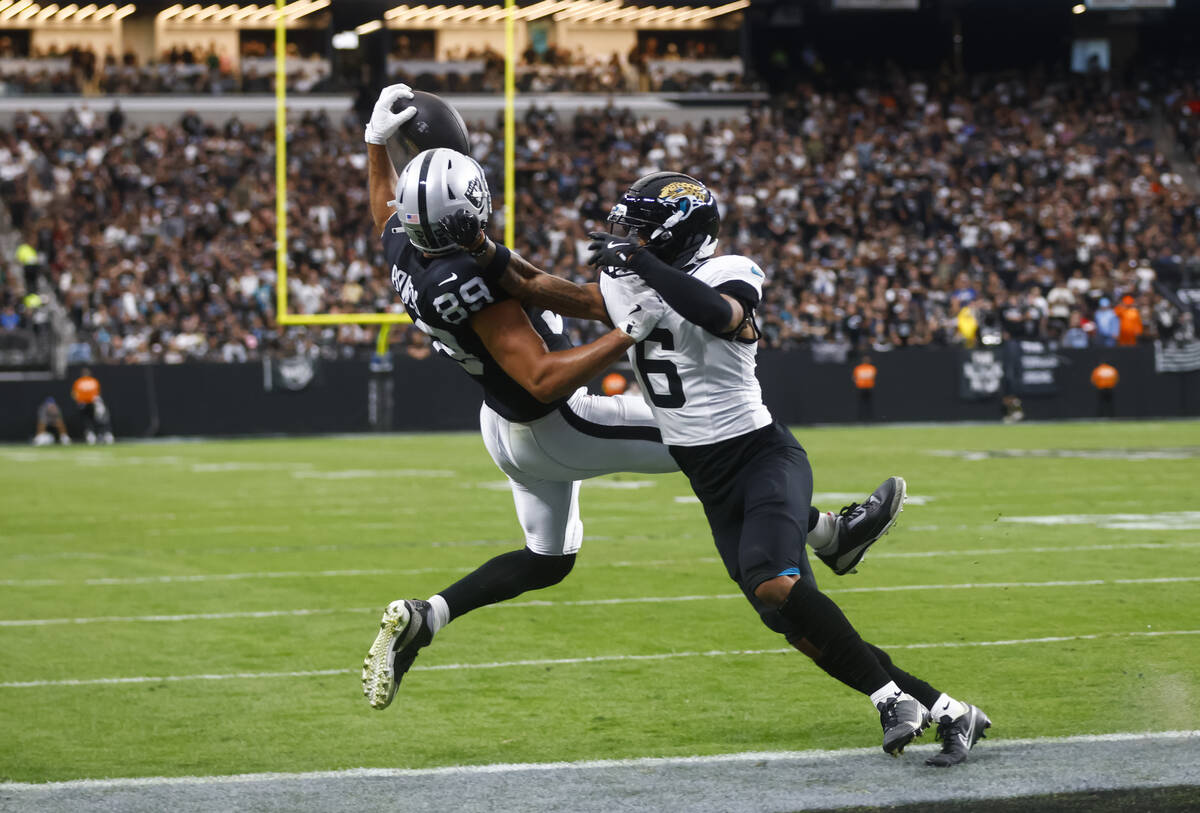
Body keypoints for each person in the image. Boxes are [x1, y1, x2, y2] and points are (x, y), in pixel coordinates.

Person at [358, 85, 901, 715]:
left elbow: (383, 208)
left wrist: (376, 147)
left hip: (503, 428)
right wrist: (625, 334)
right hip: (560, 420)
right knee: (720, 446)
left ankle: (431, 616)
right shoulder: (470, 281)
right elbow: (539, 377)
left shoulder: (403, 241)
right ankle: (833, 536)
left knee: (548, 559)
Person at [580, 171, 989, 765]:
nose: (626, 240)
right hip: (710, 481)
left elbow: (717, 314)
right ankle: (951, 710)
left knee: (773, 580)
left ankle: (887, 696)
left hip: (761, 455)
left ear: (679, 235)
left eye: (640, 233)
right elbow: (580, 298)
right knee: (792, 624)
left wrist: (642, 263)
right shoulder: (627, 277)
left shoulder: (727, 271)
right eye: (627, 232)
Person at [71, 367, 114, 445]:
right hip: (94, 403)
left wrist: (79, 401)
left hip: (85, 403)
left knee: (89, 420)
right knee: (99, 419)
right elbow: (98, 393)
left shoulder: (79, 381)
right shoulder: (93, 381)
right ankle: (103, 434)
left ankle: (94, 435)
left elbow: (74, 394)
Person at [852, 355, 876, 422]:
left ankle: (867, 418)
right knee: (863, 404)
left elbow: (854, 378)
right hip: (862, 387)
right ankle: (862, 418)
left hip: (866, 387)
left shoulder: (868, 368)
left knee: (867, 404)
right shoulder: (862, 368)